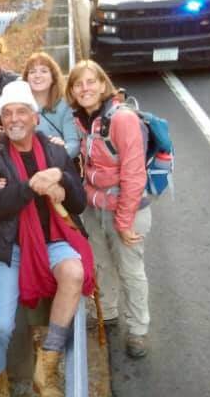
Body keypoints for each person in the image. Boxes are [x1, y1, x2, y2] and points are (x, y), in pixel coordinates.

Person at [0, 80, 95, 397]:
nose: (14, 119)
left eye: (21, 112)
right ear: (2, 120)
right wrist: (31, 185)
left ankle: (47, 365)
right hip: (10, 249)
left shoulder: (55, 150)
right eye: (8, 113)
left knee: (74, 272)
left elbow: (79, 203)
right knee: (1, 325)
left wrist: (61, 178)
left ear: (35, 118)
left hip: (52, 241)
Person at [66, 60, 152, 359]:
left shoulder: (122, 119)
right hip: (94, 207)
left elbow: (134, 174)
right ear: (73, 92)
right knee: (102, 264)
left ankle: (138, 330)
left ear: (104, 85)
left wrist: (125, 221)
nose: (85, 88)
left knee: (130, 270)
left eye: (91, 82)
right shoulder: (81, 120)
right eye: (78, 84)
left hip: (126, 209)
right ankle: (111, 313)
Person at [23, 51, 80, 159]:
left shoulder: (65, 107)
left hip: (55, 166)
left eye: (44, 71)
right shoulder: (20, 106)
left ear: (53, 78)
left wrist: (62, 150)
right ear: (26, 78)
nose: (37, 76)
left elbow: (74, 145)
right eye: (32, 72)